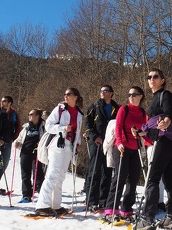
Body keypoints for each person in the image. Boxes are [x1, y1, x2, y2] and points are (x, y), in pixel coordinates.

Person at [136, 68, 172, 230]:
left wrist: (167, 121)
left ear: (162, 80)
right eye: (149, 77)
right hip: (169, 140)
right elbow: (155, 121)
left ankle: (147, 218)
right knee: (169, 178)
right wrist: (142, 131)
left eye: (155, 76)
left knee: (153, 177)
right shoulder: (155, 97)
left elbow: (168, 113)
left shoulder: (165, 95)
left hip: (166, 137)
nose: (152, 79)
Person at [102, 86, 149, 222]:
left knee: (133, 179)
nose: (131, 97)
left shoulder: (142, 112)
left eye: (134, 94)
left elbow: (144, 129)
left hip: (135, 148)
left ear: (140, 96)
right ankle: (111, 209)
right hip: (121, 147)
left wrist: (145, 137)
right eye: (129, 94)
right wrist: (120, 142)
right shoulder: (124, 109)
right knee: (119, 177)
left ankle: (126, 209)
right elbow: (118, 126)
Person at [35, 87, 83, 216]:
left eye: (69, 94)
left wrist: (78, 144)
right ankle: (42, 205)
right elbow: (48, 126)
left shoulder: (79, 114)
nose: (66, 96)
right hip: (57, 144)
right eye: (65, 94)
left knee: (61, 176)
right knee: (52, 173)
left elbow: (77, 133)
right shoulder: (60, 109)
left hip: (69, 146)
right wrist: (63, 128)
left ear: (76, 97)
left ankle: (55, 205)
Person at [84, 84, 120, 211]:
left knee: (108, 171)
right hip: (97, 143)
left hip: (110, 143)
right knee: (94, 171)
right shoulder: (94, 107)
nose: (102, 93)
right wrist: (94, 137)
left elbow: (119, 125)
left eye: (105, 91)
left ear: (111, 93)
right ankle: (91, 200)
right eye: (101, 91)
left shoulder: (117, 108)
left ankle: (104, 200)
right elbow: (87, 125)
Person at [0, 95, 21, 195]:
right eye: (2, 101)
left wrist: (13, 138)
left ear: (9, 103)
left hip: (7, 141)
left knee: (3, 164)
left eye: (5, 101)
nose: (2, 103)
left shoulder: (13, 114)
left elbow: (17, 127)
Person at [14, 108, 45, 203]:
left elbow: (47, 138)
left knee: (38, 173)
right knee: (25, 174)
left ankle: (41, 194)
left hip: (37, 152)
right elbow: (19, 138)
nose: (30, 116)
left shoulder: (44, 126)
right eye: (29, 114)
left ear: (37, 116)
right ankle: (26, 195)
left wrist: (41, 144)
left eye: (32, 114)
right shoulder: (26, 127)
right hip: (25, 152)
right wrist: (17, 142)